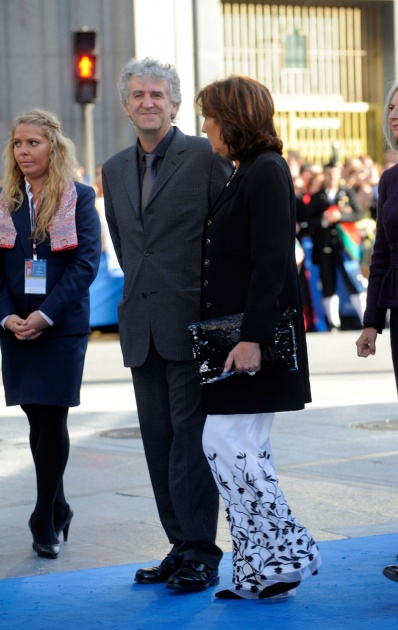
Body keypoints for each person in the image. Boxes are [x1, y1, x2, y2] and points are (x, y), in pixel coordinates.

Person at [102, 57, 232, 592]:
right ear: (126, 104)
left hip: (194, 324)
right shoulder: (112, 169)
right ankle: (180, 546)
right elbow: (128, 244)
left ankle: (202, 550)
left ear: (175, 104)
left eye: (158, 94)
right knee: (157, 442)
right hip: (141, 327)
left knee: (190, 442)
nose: (148, 102)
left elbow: (227, 235)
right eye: (138, 95)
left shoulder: (204, 155)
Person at [194, 76, 321, 601]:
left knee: (223, 443)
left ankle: (291, 549)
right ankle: (262, 572)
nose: (205, 128)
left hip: (250, 340)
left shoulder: (266, 170)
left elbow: (273, 263)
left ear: (233, 118)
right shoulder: (247, 171)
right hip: (237, 337)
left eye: (210, 116)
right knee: (245, 448)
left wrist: (251, 339)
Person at [0, 109, 101, 559]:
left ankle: (42, 515)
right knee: (34, 418)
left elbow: (85, 265)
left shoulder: (78, 197)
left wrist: (46, 316)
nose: (23, 151)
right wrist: (8, 318)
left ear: (54, 147)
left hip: (60, 327)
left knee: (53, 417)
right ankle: (58, 502)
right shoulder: (4, 199)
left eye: (33, 143)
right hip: (15, 326)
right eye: (18, 144)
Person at [356, 82, 398, 582]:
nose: (394, 115)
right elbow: (382, 253)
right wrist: (372, 321)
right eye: (390, 107)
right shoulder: (389, 180)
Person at [306, 160, 365, 330]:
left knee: (353, 281)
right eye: (329, 174)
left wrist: (340, 216)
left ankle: (365, 320)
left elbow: (359, 213)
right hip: (325, 246)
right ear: (325, 176)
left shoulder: (347, 193)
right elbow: (309, 219)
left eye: (335, 174)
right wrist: (323, 221)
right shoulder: (318, 197)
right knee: (328, 282)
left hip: (345, 246)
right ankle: (334, 323)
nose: (332, 178)